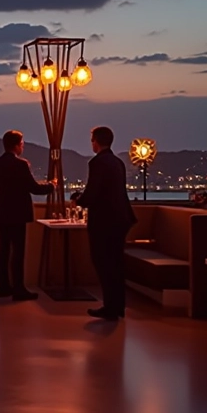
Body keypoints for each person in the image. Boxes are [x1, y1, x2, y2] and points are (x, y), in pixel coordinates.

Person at [71, 126, 137, 320]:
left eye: (92, 140)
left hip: (105, 221)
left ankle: (110, 307)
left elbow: (93, 192)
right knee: (116, 263)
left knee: (103, 262)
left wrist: (79, 200)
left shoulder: (97, 162)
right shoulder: (118, 162)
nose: (91, 143)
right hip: (122, 218)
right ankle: (118, 306)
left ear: (96, 141)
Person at [0, 130, 54, 301]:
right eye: (22, 144)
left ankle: (3, 286)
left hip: (2, 211)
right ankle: (18, 288)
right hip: (18, 213)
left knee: (4, 250)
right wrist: (51, 185)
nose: (23, 147)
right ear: (16, 145)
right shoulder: (21, 165)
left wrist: (2, 189)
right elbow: (34, 188)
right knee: (18, 251)